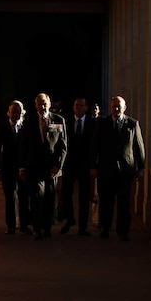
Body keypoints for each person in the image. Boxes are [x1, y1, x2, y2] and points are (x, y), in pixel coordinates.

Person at [89, 95, 145, 241]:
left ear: (124, 108)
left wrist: (141, 168)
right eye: (114, 106)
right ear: (110, 107)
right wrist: (93, 166)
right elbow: (95, 146)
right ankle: (105, 228)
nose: (116, 108)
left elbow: (139, 148)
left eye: (119, 106)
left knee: (124, 202)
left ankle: (123, 231)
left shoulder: (133, 124)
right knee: (105, 201)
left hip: (126, 171)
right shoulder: (102, 123)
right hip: (105, 170)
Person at [19, 93, 67, 240]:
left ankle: (47, 228)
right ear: (35, 106)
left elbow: (63, 145)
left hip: (51, 167)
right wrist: (22, 167)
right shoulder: (29, 121)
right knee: (36, 197)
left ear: (49, 104)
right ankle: (38, 228)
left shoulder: (58, 120)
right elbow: (23, 145)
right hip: (33, 167)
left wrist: (58, 165)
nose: (42, 106)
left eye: (44, 103)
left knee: (49, 198)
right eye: (39, 104)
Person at [0, 100, 31, 234]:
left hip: (23, 167)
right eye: (13, 111)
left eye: (18, 111)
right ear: (8, 113)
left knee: (24, 197)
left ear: (22, 113)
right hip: (7, 167)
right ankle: (10, 226)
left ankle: (25, 225)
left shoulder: (27, 127)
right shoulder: (3, 127)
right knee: (9, 197)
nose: (15, 114)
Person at [60, 98, 95, 236]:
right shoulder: (66, 122)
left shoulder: (93, 124)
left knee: (84, 197)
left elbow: (95, 146)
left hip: (85, 166)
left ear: (86, 108)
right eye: (76, 105)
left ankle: (83, 227)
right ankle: (69, 219)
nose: (78, 108)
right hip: (69, 164)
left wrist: (93, 165)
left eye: (81, 105)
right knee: (66, 194)